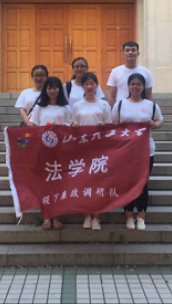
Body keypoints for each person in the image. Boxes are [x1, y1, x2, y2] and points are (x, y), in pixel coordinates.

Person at [111, 73, 164, 231]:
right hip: (126, 151)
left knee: (142, 183)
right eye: (132, 84)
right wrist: (120, 125)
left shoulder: (150, 105)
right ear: (128, 86)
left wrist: (154, 124)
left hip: (146, 150)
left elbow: (160, 120)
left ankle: (141, 217)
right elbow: (112, 124)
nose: (135, 87)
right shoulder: (120, 104)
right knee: (127, 183)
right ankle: (128, 216)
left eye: (139, 84)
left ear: (143, 87)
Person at [28, 76, 72, 231]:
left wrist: (61, 125)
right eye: (49, 88)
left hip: (61, 152)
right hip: (43, 151)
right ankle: (46, 216)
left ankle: (57, 215)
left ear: (59, 89)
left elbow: (72, 127)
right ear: (45, 90)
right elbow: (33, 126)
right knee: (45, 183)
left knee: (59, 183)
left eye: (55, 87)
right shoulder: (39, 108)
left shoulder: (66, 108)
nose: (52, 91)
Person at [70, 72, 112, 231]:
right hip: (82, 150)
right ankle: (86, 215)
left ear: (96, 85)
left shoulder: (104, 104)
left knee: (98, 184)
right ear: (82, 86)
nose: (89, 86)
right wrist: (74, 125)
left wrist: (103, 126)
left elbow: (110, 126)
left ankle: (96, 217)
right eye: (86, 84)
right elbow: (72, 123)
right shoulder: (77, 105)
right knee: (84, 183)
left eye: (92, 84)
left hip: (99, 150)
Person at [107, 41, 154, 107]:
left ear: (138, 53)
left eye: (133, 50)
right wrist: (112, 111)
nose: (130, 53)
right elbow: (111, 96)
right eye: (127, 50)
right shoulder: (115, 71)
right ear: (123, 53)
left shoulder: (146, 72)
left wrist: (151, 109)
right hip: (121, 108)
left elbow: (149, 95)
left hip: (141, 108)